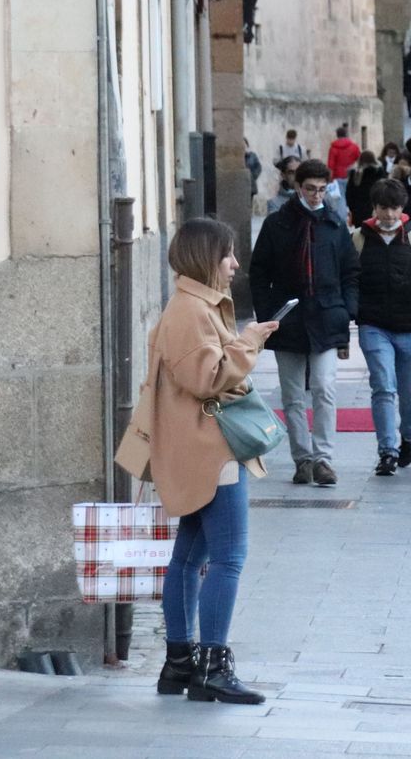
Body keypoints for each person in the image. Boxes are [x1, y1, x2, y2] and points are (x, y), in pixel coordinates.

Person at [118, 218, 277, 704]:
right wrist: (250, 341)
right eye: (228, 254)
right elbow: (207, 378)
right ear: (207, 257)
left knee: (188, 558)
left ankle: (179, 663)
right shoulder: (190, 309)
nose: (234, 264)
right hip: (209, 449)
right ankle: (211, 666)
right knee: (227, 558)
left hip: (196, 445)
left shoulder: (193, 305)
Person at [249, 159, 359, 487]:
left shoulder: (335, 224)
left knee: (324, 388)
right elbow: (258, 273)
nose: (316, 195)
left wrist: (347, 309)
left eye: (322, 189)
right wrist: (268, 314)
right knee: (293, 393)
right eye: (310, 189)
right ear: (298, 188)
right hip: (289, 319)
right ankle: (303, 458)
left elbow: (350, 271)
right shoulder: (278, 223)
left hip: (326, 317)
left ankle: (324, 458)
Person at [355, 179, 411, 476]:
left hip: (410, 325)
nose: (388, 214)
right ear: (374, 208)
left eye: (394, 208)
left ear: (403, 209)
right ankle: (387, 450)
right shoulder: (359, 238)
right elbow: (351, 277)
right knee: (383, 386)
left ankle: (409, 436)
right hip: (373, 324)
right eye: (383, 208)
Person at [345, 151, 385, 226]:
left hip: (358, 209)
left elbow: (349, 192)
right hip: (374, 207)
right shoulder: (378, 171)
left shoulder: (355, 172)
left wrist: (351, 208)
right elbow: (383, 189)